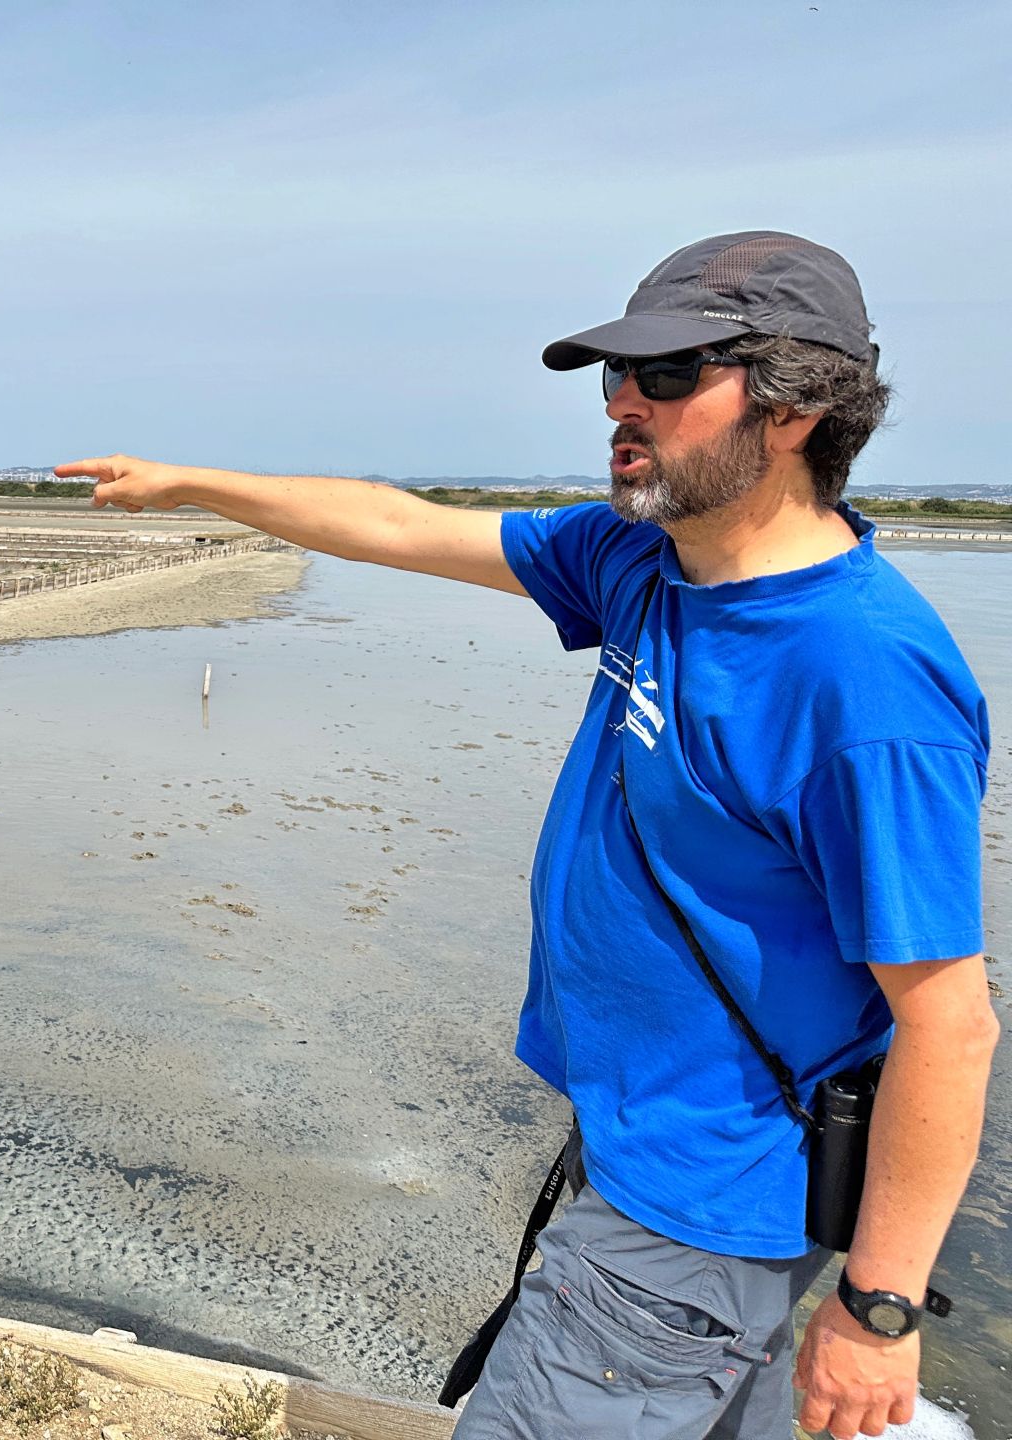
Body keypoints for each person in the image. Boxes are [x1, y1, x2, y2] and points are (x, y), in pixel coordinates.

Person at [55, 231, 998, 1440]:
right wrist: (194, 484)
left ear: (796, 408)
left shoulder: (863, 681)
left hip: (697, 1203)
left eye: (670, 375)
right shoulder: (641, 561)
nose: (621, 403)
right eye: (617, 373)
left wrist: (879, 1309)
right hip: (645, 1147)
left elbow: (950, 1023)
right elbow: (400, 525)